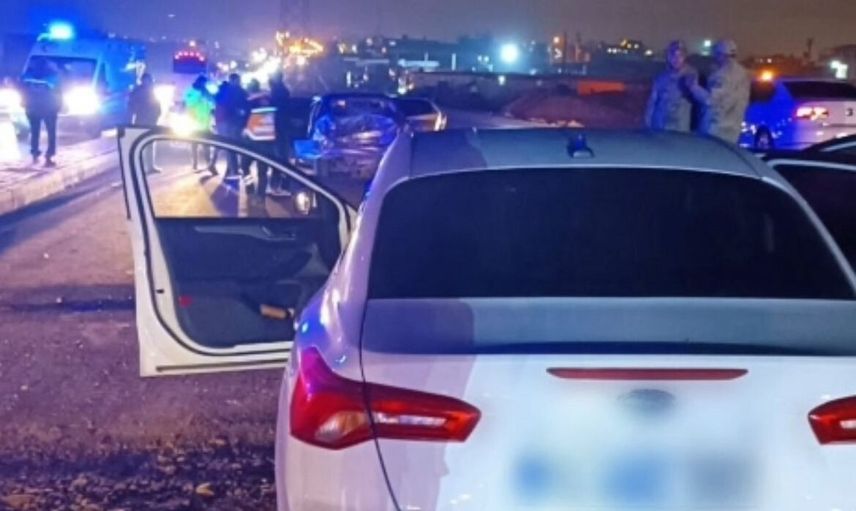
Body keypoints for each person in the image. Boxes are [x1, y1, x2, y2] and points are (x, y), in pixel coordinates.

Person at [686, 39, 751, 143]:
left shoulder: (724, 75)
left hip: (717, 130)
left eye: (716, 54)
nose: (714, 57)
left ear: (721, 55)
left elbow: (710, 99)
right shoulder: (742, 73)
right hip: (732, 129)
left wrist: (693, 87)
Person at [645, 40, 697, 132]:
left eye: (680, 55)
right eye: (673, 55)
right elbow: (652, 103)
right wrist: (648, 123)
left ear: (685, 57)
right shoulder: (661, 78)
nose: (676, 59)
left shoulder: (691, 74)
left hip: (680, 128)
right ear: (668, 57)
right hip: (661, 126)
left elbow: (696, 97)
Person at [20, 57, 61, 167]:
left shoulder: (27, 76)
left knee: (34, 131)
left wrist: (25, 104)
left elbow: (22, 90)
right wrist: (59, 106)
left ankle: (35, 153)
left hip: (32, 108)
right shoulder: (53, 76)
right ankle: (49, 155)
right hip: (49, 108)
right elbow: (59, 92)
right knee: (51, 132)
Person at [214, 73, 249, 181]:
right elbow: (246, 104)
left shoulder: (226, 91)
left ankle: (233, 170)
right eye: (238, 80)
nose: (239, 82)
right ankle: (234, 169)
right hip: (234, 122)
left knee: (230, 146)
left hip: (228, 121)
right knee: (234, 146)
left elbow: (218, 101)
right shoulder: (240, 91)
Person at [128, 73, 162, 173]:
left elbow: (157, 105)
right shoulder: (138, 91)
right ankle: (140, 167)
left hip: (151, 121)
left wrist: (157, 114)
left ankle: (150, 166)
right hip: (141, 121)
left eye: (149, 81)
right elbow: (132, 106)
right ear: (143, 81)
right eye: (146, 80)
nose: (148, 82)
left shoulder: (151, 91)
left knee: (150, 144)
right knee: (141, 145)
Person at [267, 72, 292, 196]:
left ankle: (278, 186)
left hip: (278, 129)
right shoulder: (283, 90)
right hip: (282, 128)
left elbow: (275, 109)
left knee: (278, 159)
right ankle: (279, 186)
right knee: (281, 159)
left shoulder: (277, 91)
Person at [184, 75, 216, 172]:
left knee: (207, 146)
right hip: (194, 124)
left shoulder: (206, 92)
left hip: (205, 124)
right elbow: (189, 103)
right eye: (203, 83)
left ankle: (209, 165)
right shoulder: (191, 91)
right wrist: (200, 95)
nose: (204, 85)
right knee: (194, 145)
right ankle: (194, 164)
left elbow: (212, 103)